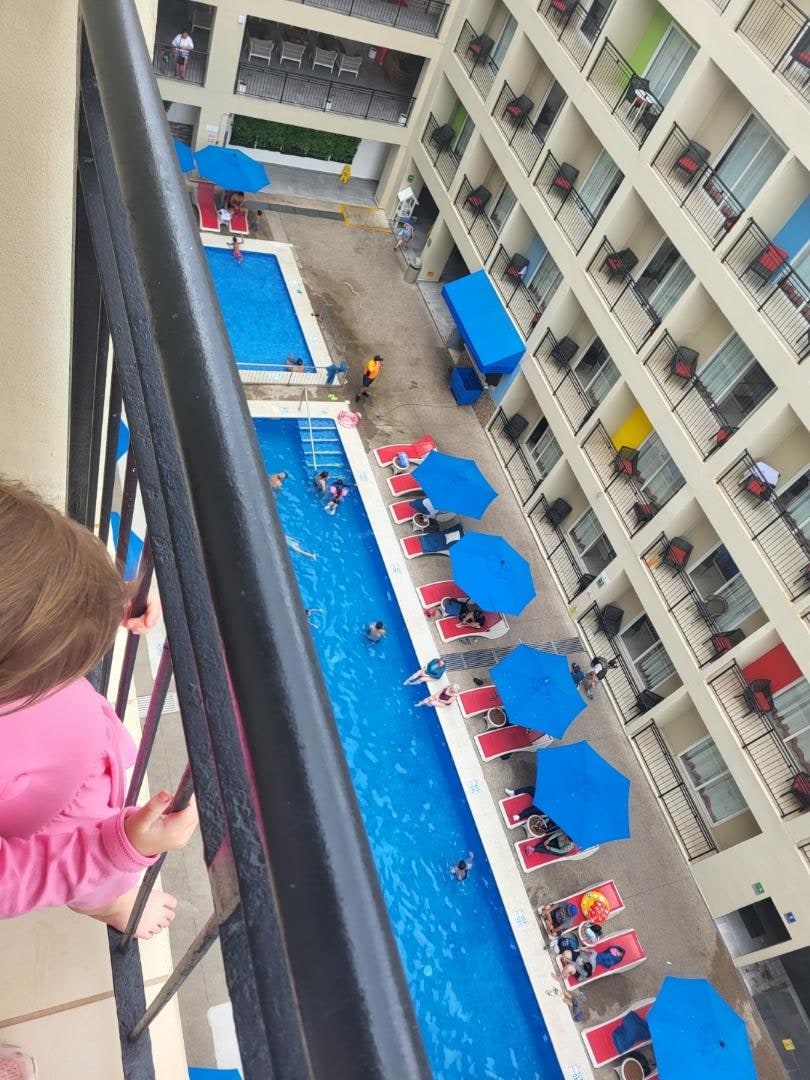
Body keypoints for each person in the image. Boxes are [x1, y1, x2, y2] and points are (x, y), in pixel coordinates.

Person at [0, 478, 198, 939]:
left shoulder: (17, 658)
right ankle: (108, 906)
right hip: (53, 825)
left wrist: (100, 604)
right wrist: (116, 848)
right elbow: (14, 879)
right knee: (97, 880)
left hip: (78, 764)